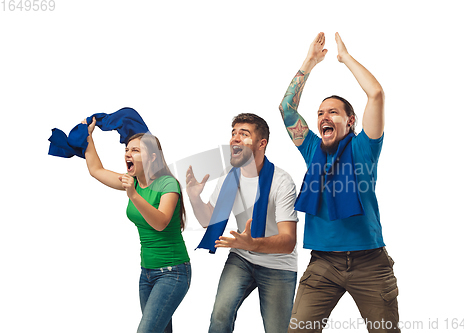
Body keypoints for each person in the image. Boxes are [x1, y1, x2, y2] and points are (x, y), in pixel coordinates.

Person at [279, 32, 400, 333]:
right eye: (320, 113)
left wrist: (344, 59)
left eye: (333, 112)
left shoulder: (364, 147)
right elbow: (286, 109)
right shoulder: (312, 148)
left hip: (370, 263)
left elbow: (376, 94)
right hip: (323, 265)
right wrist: (309, 62)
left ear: (350, 122)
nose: (324, 117)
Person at [186, 113, 298, 333]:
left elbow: (288, 241)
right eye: (233, 133)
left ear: (261, 144)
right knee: (220, 316)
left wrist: (253, 243)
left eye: (243, 134)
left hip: (278, 265)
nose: (234, 139)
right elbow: (209, 220)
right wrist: (195, 198)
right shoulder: (230, 177)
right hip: (242, 257)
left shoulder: (281, 182)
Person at [82, 117, 191, 333]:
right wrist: (87, 135)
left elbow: (161, 222)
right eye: (127, 150)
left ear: (152, 157)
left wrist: (132, 194)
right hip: (147, 274)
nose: (127, 154)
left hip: (173, 272)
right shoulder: (132, 182)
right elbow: (96, 170)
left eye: (135, 151)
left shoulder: (168, 184)